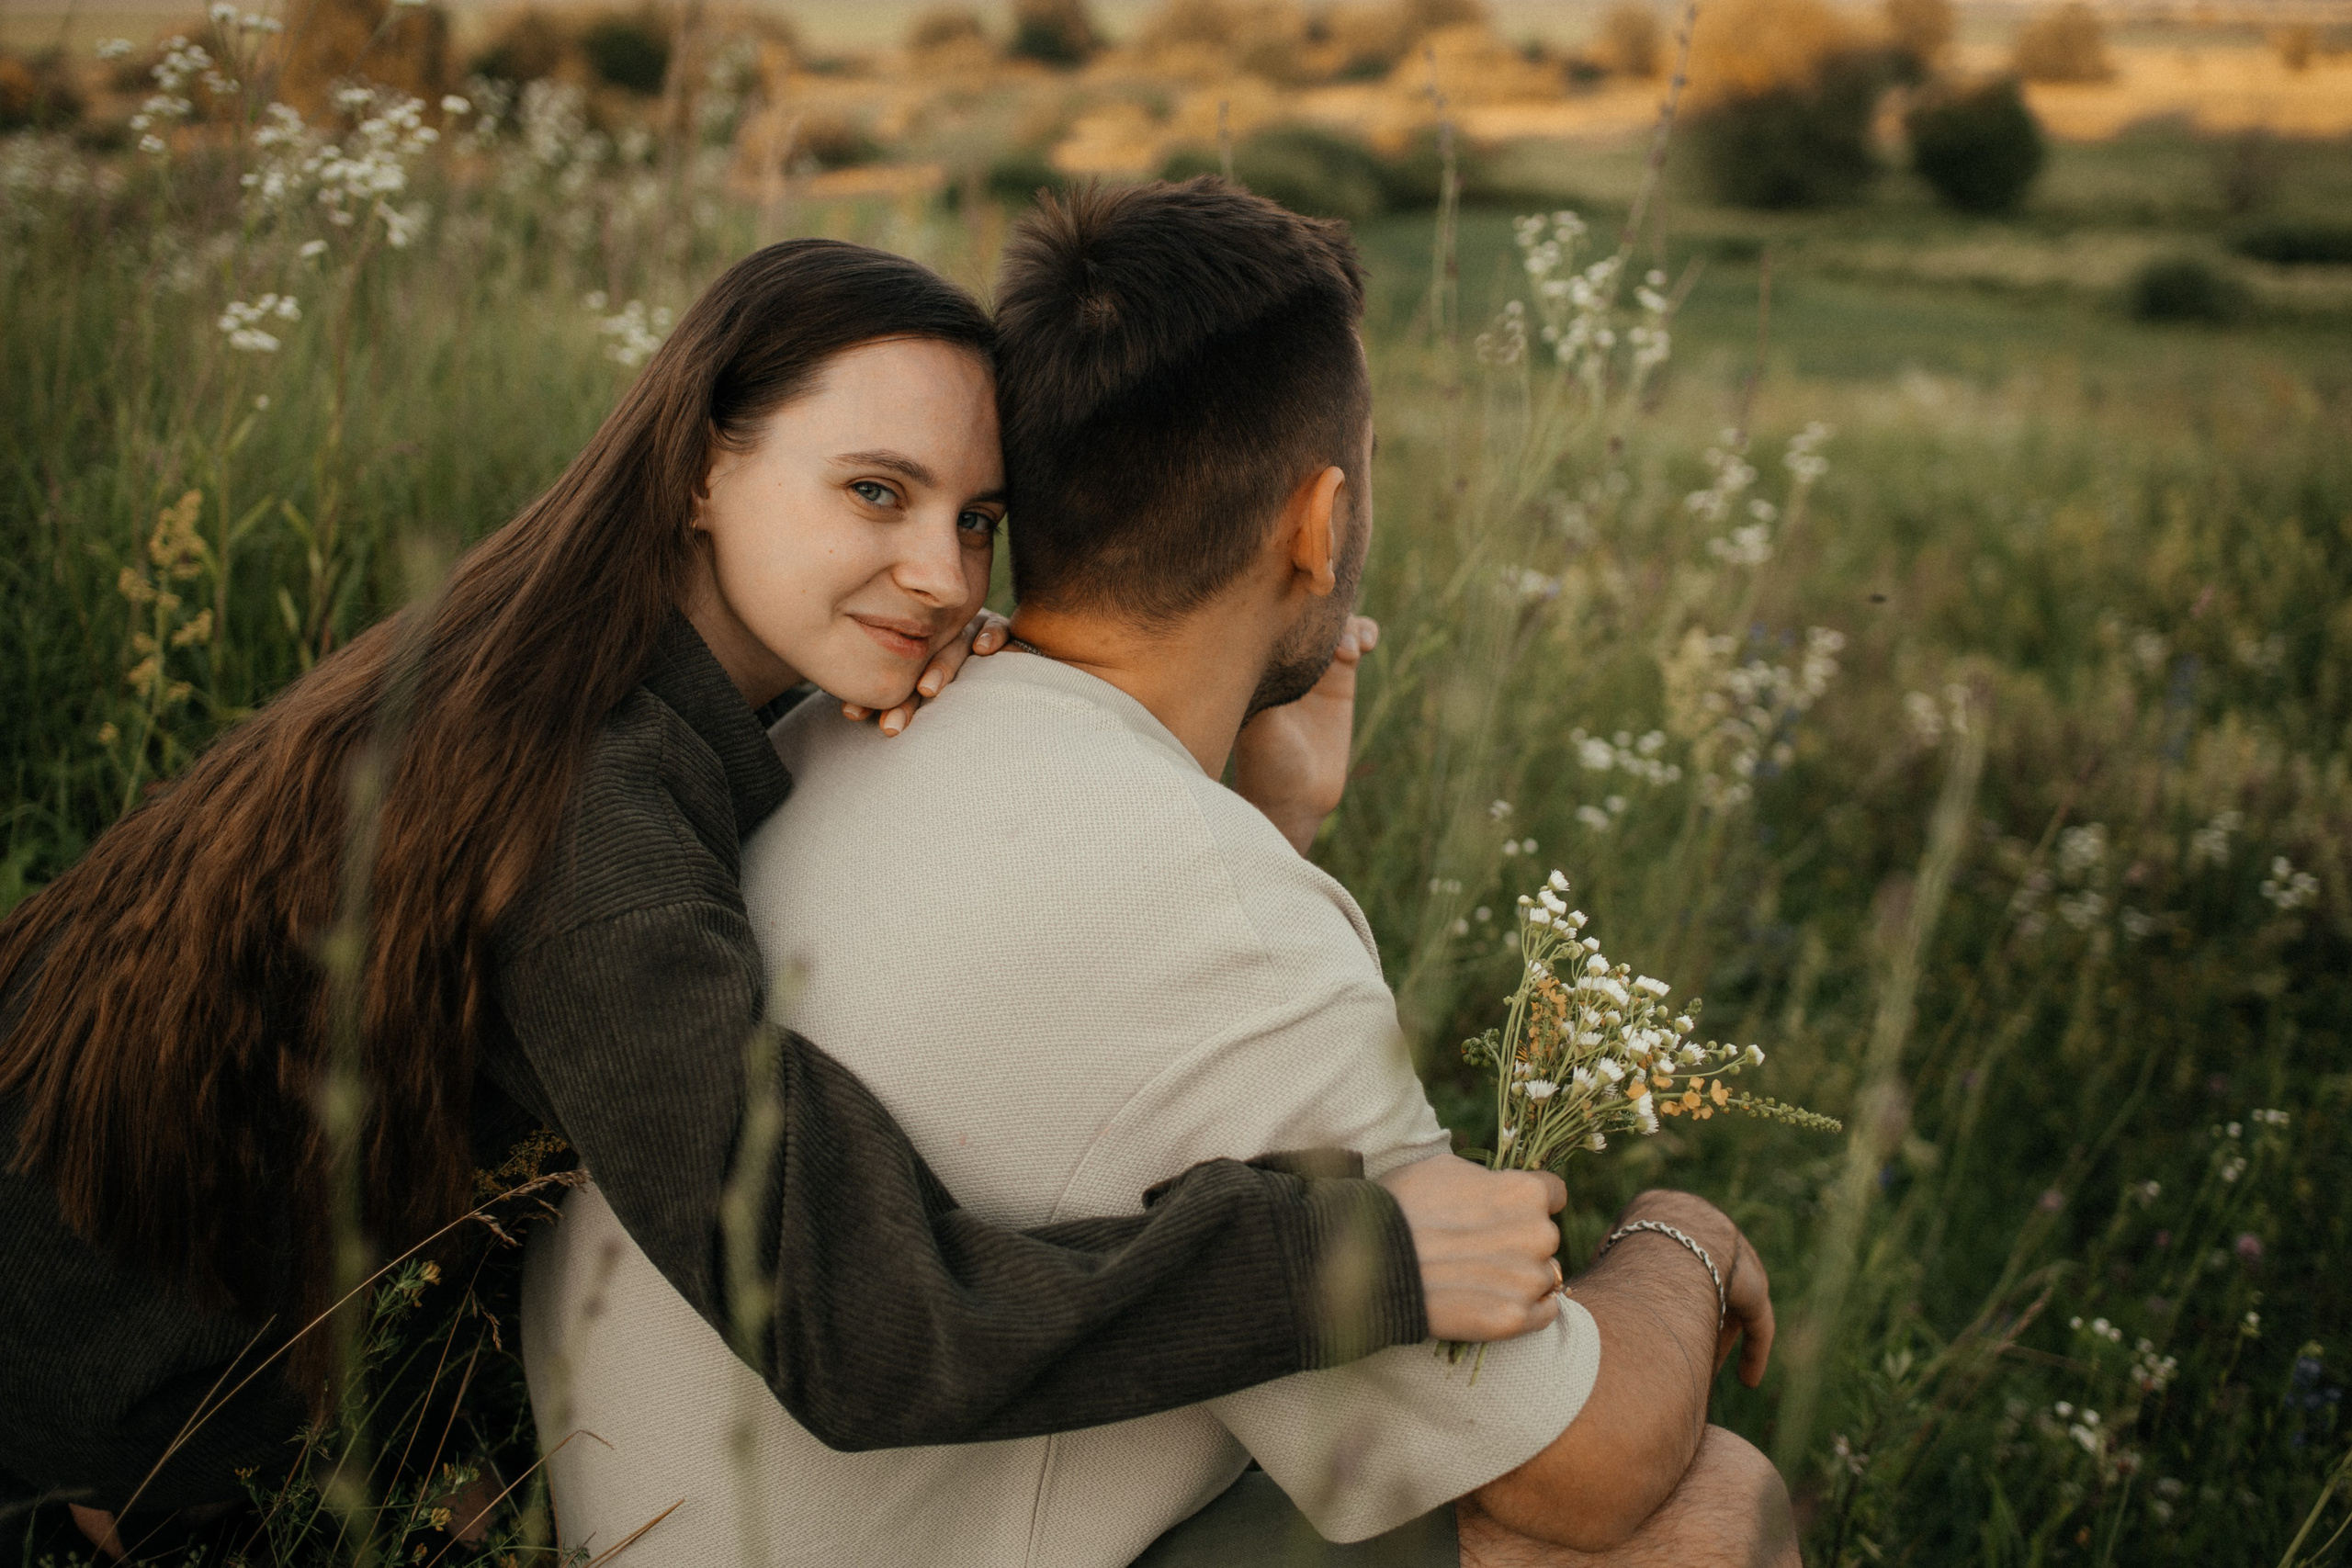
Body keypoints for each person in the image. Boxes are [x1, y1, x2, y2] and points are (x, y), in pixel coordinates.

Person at [0, 240, 1573, 1558]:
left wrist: (1259, 802)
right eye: (875, 493)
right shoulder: (582, 828)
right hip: (119, 1461)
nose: (950, 581)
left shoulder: (561, 678)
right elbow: (852, 1323)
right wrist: (1344, 1259)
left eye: (974, 521)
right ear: (702, 468)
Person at [522, 186, 1801, 1565]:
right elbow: (1581, 1476)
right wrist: (1677, 1236)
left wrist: (1267, 817)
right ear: (1318, 521)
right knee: (1707, 1506)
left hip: (632, 1508)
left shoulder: (850, 712)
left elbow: (1113, 982)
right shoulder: (1216, 930)